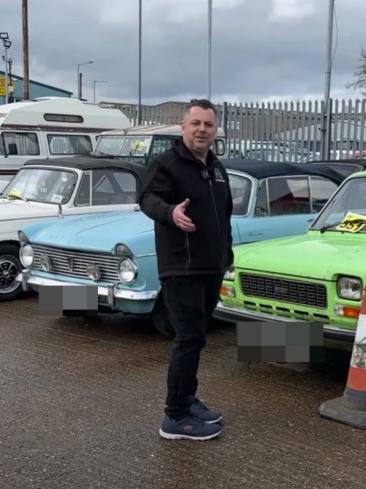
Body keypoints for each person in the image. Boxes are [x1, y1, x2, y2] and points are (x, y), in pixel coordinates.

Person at [138, 99, 233, 441]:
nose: (202, 130)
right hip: (182, 268)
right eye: (195, 123)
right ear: (183, 127)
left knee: (196, 339)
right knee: (188, 338)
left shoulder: (217, 169)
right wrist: (170, 213)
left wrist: (227, 254)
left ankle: (187, 399)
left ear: (215, 130)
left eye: (208, 124)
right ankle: (175, 416)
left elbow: (224, 216)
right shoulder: (167, 164)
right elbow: (147, 199)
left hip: (211, 267)